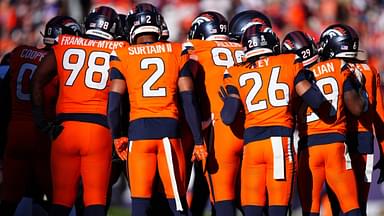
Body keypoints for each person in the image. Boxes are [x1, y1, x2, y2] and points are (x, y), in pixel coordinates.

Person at [107, 3, 206, 216]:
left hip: (137, 134)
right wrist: (198, 140)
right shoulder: (176, 50)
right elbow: (188, 99)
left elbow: (114, 104)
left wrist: (117, 137)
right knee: (177, 204)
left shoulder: (122, 54)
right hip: (168, 133)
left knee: (140, 206)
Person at [220, 24, 329, 216]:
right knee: (277, 211)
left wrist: (233, 101)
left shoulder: (235, 72)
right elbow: (317, 101)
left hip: (252, 147)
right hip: (279, 143)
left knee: (252, 211)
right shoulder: (289, 61)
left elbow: (227, 117)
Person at [31, 6, 121, 216]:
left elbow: (37, 80)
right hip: (99, 130)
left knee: (60, 202)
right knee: (96, 201)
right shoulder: (120, 49)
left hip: (65, 129)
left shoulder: (65, 44)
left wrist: (40, 120)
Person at [0, 16, 81, 216]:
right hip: (42, 131)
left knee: (10, 196)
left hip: (15, 130)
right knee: (59, 196)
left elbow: (5, 93)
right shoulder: (61, 63)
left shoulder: (18, 53)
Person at [296, 23, 367, 216]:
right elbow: (357, 108)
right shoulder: (339, 67)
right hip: (336, 145)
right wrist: (361, 90)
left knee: (310, 211)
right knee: (352, 207)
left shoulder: (295, 74)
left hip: (308, 148)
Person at [183, 11, 244, 216]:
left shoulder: (196, 48)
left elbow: (183, 84)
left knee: (223, 198)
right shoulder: (244, 47)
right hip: (253, 128)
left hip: (219, 129)